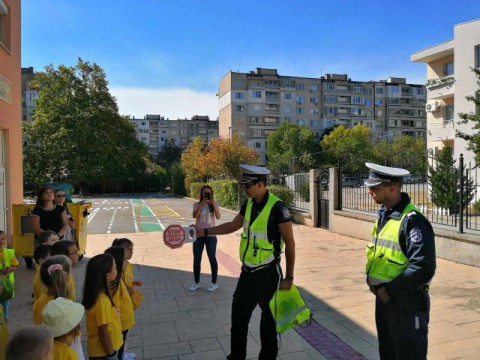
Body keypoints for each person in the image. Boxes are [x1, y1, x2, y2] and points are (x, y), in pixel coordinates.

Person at [193, 164, 295, 360]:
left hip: (268, 275)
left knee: (268, 326)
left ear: (260, 184)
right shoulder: (248, 204)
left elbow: (290, 243)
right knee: (238, 321)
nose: (244, 189)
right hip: (247, 274)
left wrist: (289, 276)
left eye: (247, 185)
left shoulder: (278, 207)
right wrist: (204, 231)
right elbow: (233, 225)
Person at [364, 162, 436, 360]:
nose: (369, 191)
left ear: (393, 188)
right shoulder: (384, 216)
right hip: (385, 302)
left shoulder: (412, 220)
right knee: (388, 353)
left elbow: (423, 268)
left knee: (407, 355)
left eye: (374, 187)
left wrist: (389, 290)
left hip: (406, 304)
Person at [82, 253, 123, 359]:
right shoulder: (102, 300)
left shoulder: (97, 294)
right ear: (108, 276)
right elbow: (103, 333)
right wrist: (112, 355)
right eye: (115, 267)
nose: (117, 268)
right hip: (104, 353)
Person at [105, 247, 135, 360]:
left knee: (123, 340)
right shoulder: (113, 284)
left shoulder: (118, 278)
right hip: (120, 322)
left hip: (123, 321)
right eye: (124, 261)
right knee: (120, 342)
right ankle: (122, 356)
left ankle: (123, 354)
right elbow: (115, 306)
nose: (126, 263)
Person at [190, 185, 221, 292]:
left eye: (208, 193)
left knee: (212, 258)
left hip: (211, 235)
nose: (206, 194)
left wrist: (214, 206)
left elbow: (218, 217)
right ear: (201, 194)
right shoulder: (196, 204)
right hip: (198, 235)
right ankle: (196, 282)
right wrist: (201, 205)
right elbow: (194, 216)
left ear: (211, 193)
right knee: (197, 259)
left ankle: (214, 283)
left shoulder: (214, 204)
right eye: (204, 193)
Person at [112, 238, 143, 310]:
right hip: (121, 304)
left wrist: (133, 283)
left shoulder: (129, 265)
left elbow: (127, 280)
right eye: (129, 249)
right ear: (119, 251)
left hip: (128, 300)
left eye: (132, 250)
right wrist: (127, 291)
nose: (132, 252)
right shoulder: (114, 270)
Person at [0, 230, 18, 321]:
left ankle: (5, 324)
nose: (1, 241)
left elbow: (14, 266)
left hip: (7, 287)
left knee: (5, 308)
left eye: (3, 239)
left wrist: (9, 269)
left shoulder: (9, 253)